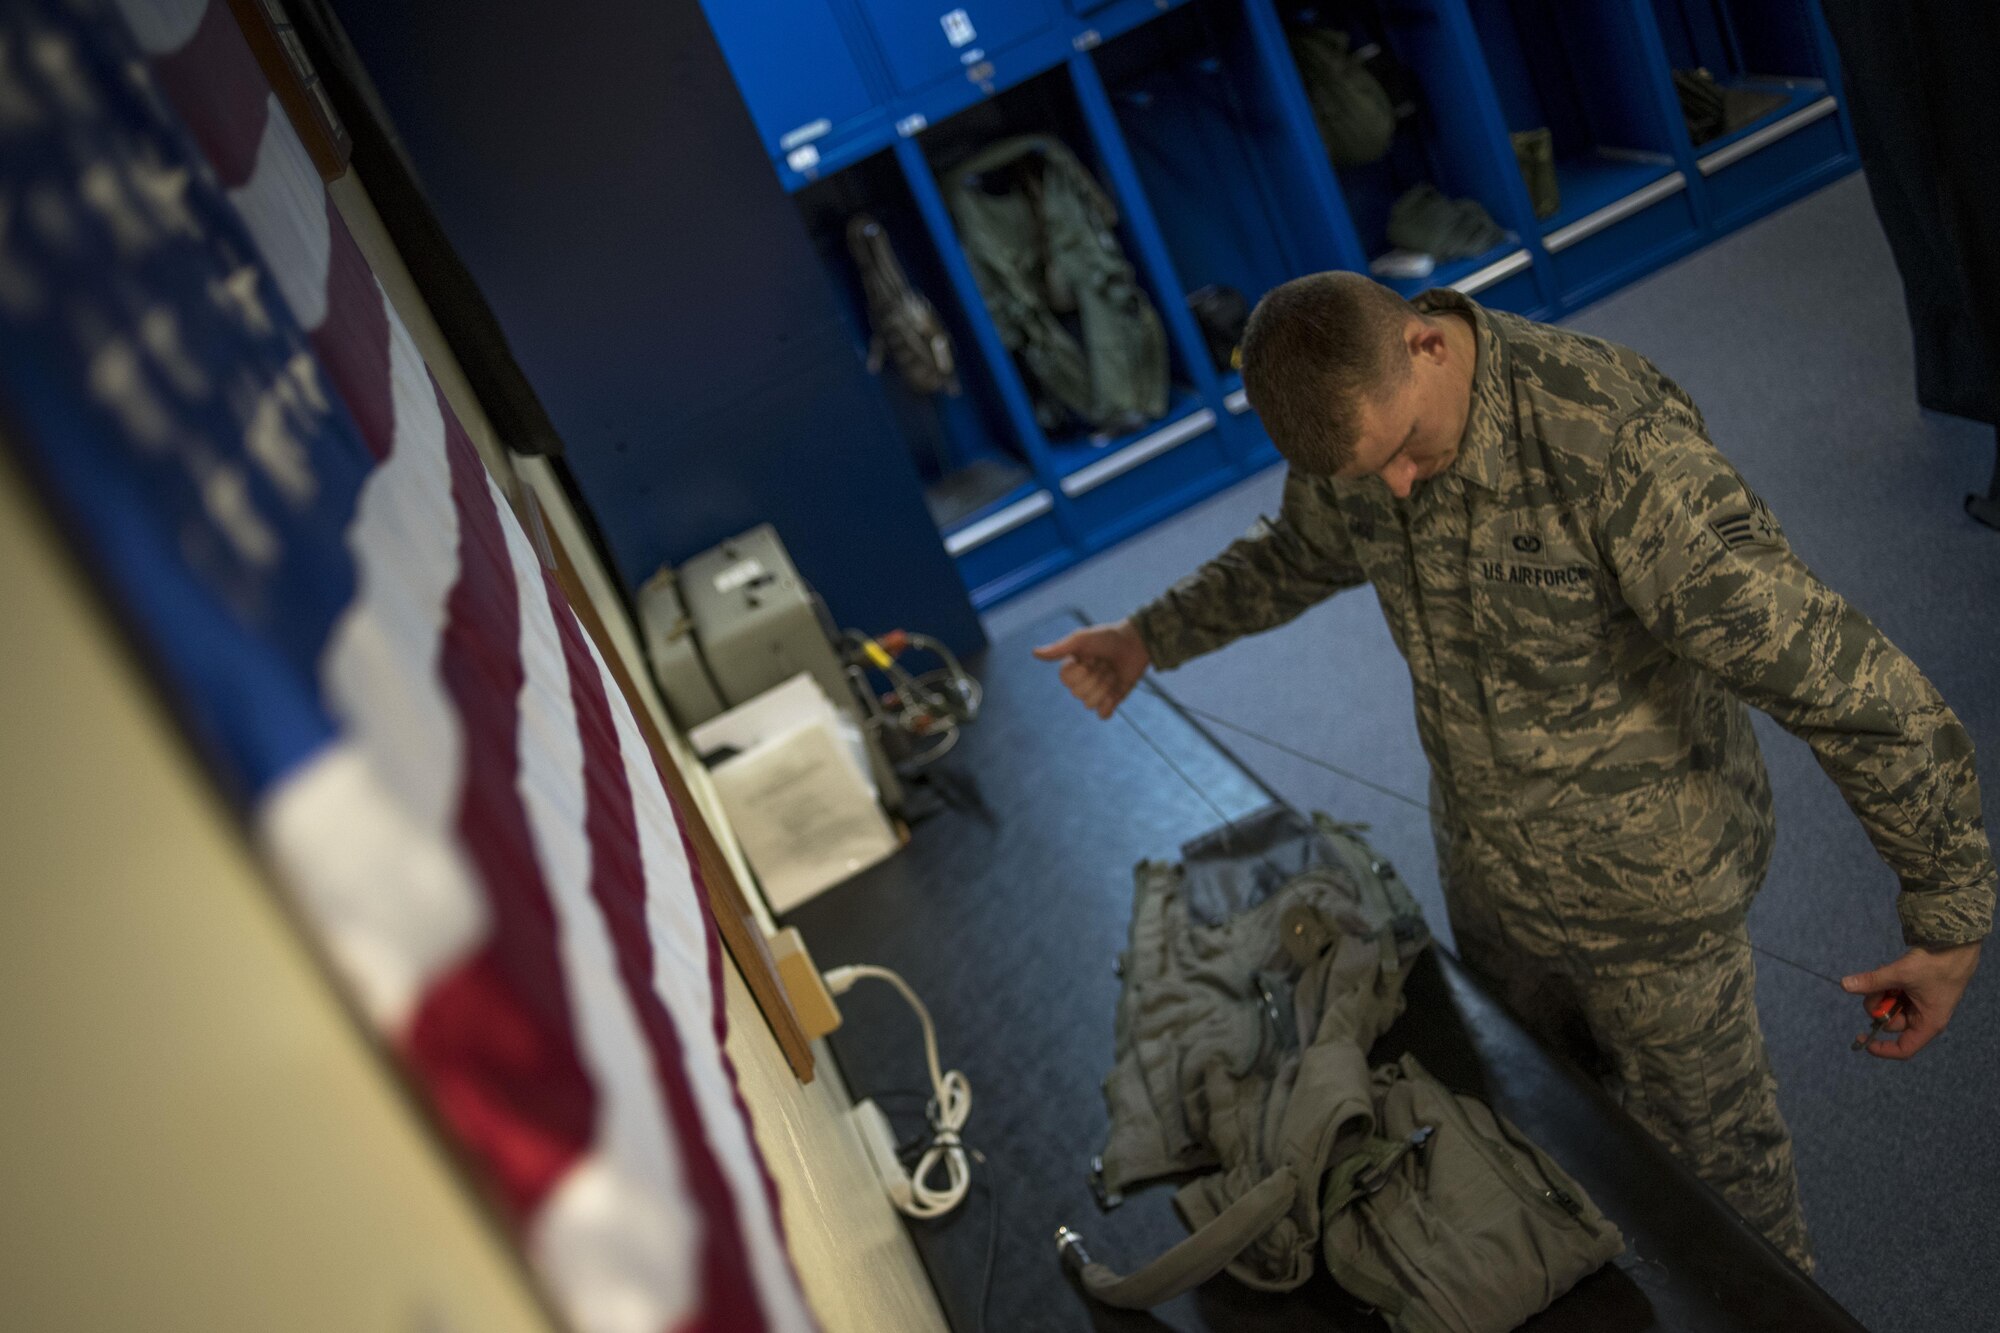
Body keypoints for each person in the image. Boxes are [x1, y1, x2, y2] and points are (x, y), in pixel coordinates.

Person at [1034, 273, 1994, 1271]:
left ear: (1426, 345)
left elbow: (1849, 687)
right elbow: (1294, 553)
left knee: (1727, 1216)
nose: (1397, 486)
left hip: (1653, 906)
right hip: (1490, 882)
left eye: (1407, 450)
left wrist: (1946, 917)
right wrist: (1152, 635)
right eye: (1371, 475)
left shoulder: (1613, 452)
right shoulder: (1354, 425)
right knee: (1544, 1152)